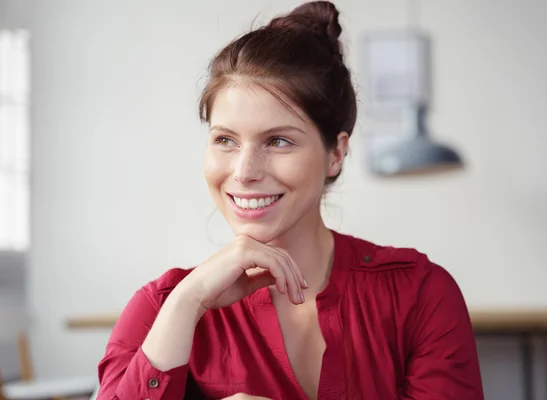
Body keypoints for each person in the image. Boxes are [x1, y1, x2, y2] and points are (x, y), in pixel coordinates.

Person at [96, 2, 484, 399]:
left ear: (336, 153)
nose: (245, 171)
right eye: (225, 140)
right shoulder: (162, 307)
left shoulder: (419, 294)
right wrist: (186, 303)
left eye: (278, 140)